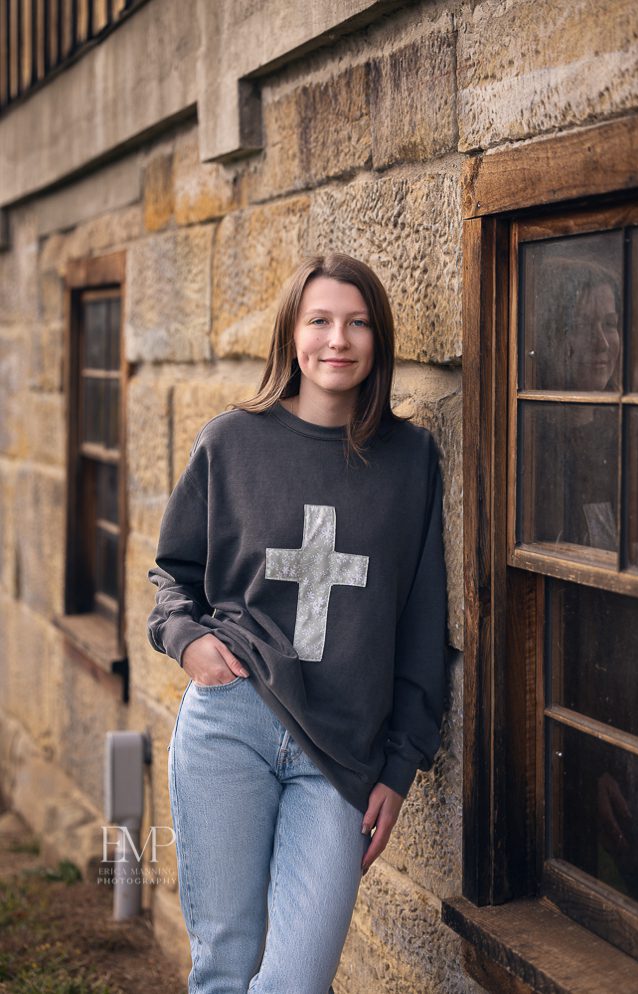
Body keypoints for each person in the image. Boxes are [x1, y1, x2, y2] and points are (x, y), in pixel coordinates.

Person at [149, 253, 448, 989]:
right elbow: (172, 575)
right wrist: (192, 646)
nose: (336, 340)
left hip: (341, 755)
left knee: (297, 980)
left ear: (378, 341)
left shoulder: (410, 460)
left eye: (358, 323)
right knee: (226, 964)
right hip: (232, 723)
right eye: (319, 320)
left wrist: (401, 766)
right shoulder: (231, 443)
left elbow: (420, 619)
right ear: (291, 334)